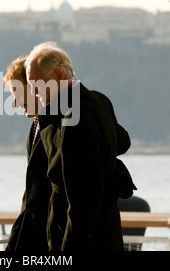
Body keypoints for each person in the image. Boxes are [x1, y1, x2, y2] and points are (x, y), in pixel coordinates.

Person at [25, 41, 136, 251]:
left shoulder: (71, 121)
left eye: (35, 84)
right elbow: (122, 142)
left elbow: (81, 202)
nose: (34, 93)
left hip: (80, 240)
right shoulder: (99, 100)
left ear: (58, 76)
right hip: (108, 229)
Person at [2, 55, 51, 251]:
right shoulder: (36, 126)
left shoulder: (55, 127)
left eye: (17, 93)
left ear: (34, 87)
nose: (15, 103)